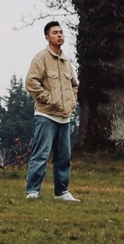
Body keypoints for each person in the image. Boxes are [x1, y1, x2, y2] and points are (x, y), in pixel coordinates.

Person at [23, 19, 79, 201]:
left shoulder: (66, 61)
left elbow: (74, 85)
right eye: (55, 33)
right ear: (47, 37)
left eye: (61, 32)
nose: (59, 35)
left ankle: (62, 192)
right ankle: (33, 191)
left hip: (65, 117)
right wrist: (49, 99)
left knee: (64, 157)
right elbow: (31, 82)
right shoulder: (41, 58)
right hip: (46, 115)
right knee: (41, 154)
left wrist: (71, 102)